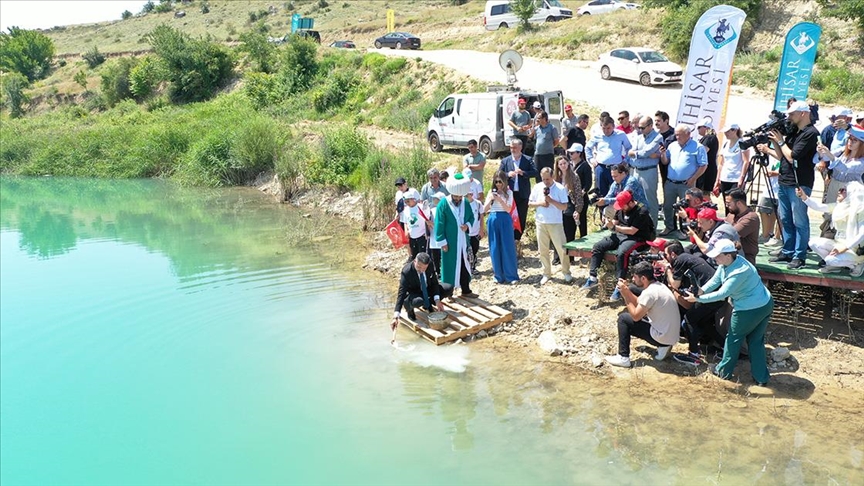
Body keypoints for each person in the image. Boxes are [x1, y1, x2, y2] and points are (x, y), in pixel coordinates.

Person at [683, 239, 774, 386]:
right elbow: (716, 280)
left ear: (728, 255)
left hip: (749, 309)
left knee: (733, 339)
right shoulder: (730, 262)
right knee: (756, 341)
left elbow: (722, 294)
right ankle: (761, 378)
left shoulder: (738, 272)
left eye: (718, 255)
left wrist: (698, 299)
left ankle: (724, 372)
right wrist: (701, 290)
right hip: (765, 302)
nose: (714, 258)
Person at [759, 100, 820, 270]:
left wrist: (780, 142)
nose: (789, 117)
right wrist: (775, 142)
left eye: (792, 114)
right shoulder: (794, 132)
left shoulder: (811, 133)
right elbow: (782, 157)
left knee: (799, 220)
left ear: (803, 113)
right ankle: (787, 250)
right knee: (785, 219)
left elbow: (793, 156)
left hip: (800, 183)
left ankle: (799, 255)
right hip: (784, 180)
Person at [604, 261, 681, 368]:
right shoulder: (659, 286)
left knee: (623, 319)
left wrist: (626, 296)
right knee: (630, 301)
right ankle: (663, 347)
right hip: (670, 336)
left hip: (663, 337)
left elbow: (636, 317)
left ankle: (623, 357)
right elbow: (640, 303)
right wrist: (626, 290)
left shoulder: (650, 293)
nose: (633, 279)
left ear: (643, 278)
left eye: (635, 277)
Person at [582, 190, 655, 301]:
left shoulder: (642, 211)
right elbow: (616, 221)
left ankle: (620, 284)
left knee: (622, 253)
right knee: (598, 246)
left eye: (623, 206)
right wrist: (608, 222)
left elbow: (632, 231)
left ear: (630, 203)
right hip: (621, 234)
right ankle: (593, 277)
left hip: (638, 238)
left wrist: (614, 227)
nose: (621, 208)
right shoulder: (621, 209)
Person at [662, 241, 725, 365]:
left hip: (709, 295)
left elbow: (675, 284)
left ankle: (693, 355)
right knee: (703, 321)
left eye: (666, 255)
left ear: (673, 254)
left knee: (689, 319)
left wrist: (668, 270)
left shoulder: (680, 260)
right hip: (718, 295)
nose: (665, 258)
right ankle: (726, 348)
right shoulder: (687, 258)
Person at [797, 181, 864, 277]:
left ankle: (857, 264)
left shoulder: (861, 210)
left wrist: (845, 247)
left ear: (852, 194)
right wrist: (804, 197)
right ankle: (835, 267)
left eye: (843, 190)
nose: (839, 192)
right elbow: (819, 207)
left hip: (854, 249)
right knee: (813, 243)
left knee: (830, 259)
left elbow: (862, 234)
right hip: (838, 243)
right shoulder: (839, 206)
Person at [434, 172, 478, 298]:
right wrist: (442, 242)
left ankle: (466, 290)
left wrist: (467, 225)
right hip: (450, 242)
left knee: (465, 264)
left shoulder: (465, 203)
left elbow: (471, 217)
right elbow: (439, 223)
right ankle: (449, 293)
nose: (458, 199)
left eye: (460, 197)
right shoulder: (443, 204)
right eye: (456, 196)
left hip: (463, 240)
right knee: (449, 266)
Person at [660, 124, 708, 234]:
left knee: (687, 208)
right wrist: (663, 154)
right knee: (668, 206)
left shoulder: (698, 147)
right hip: (670, 182)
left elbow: (703, 165)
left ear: (688, 134)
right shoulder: (672, 145)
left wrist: (693, 178)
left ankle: (685, 230)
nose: (677, 137)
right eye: (676, 135)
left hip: (687, 184)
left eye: (679, 135)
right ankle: (669, 227)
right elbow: (665, 162)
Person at [529, 167, 572, 284]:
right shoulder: (537, 187)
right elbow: (530, 203)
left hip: (555, 222)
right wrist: (541, 203)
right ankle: (546, 273)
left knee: (561, 249)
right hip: (540, 222)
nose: (546, 181)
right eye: (543, 179)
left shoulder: (560, 188)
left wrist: (551, 201)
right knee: (543, 250)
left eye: (548, 179)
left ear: (552, 176)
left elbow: (564, 207)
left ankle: (566, 272)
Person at [498, 138, 538, 254]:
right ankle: (509, 238)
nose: (512, 149)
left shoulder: (528, 159)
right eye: (511, 147)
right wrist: (507, 174)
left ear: (520, 147)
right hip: (509, 194)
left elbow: (535, 172)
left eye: (514, 147)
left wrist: (523, 173)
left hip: (522, 194)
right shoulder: (505, 161)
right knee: (509, 216)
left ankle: (517, 239)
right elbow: (498, 174)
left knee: (521, 217)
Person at [392, 252, 448, 327]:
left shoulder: (430, 264)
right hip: (414, 293)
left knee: (448, 288)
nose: (421, 270)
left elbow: (435, 283)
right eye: (419, 267)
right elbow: (401, 292)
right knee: (418, 301)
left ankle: (428, 304)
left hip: (427, 289)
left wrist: (437, 300)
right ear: (415, 261)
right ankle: (410, 310)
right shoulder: (407, 271)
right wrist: (396, 314)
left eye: (424, 268)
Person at [483, 171, 520, 284]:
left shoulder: (509, 192)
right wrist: (490, 199)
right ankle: (498, 275)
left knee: (507, 246)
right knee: (494, 247)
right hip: (493, 218)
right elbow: (484, 210)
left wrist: (500, 199)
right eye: (496, 182)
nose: (498, 184)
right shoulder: (491, 192)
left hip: (505, 218)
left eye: (500, 182)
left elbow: (509, 209)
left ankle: (511, 275)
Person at [816, 123, 864, 205]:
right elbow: (824, 158)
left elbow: (845, 168)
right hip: (833, 184)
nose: (850, 142)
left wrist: (829, 154)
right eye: (849, 138)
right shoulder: (842, 151)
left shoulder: (862, 161)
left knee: (844, 214)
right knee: (828, 213)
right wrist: (821, 152)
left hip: (849, 189)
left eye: (855, 140)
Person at [628, 115, 663, 227]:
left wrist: (637, 153)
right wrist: (639, 153)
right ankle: (639, 225)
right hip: (636, 171)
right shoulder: (639, 137)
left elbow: (646, 152)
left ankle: (652, 226)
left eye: (642, 128)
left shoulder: (658, 137)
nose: (640, 130)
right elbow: (631, 151)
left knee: (650, 199)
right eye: (639, 127)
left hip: (649, 172)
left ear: (650, 126)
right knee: (636, 198)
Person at [586, 116, 633, 198]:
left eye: (608, 128)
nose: (606, 131)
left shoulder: (620, 135)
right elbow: (587, 147)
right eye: (604, 128)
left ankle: (616, 210)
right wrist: (591, 159)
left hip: (616, 167)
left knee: (617, 192)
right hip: (601, 167)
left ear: (613, 127)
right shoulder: (598, 135)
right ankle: (602, 210)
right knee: (601, 192)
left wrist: (626, 160)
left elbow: (629, 147)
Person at [553, 156, 584, 259]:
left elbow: (578, 194)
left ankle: (570, 256)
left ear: (568, 163)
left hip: (570, 203)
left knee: (570, 231)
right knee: (557, 231)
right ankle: (557, 256)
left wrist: (578, 210)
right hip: (557, 203)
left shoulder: (574, 176)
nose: (563, 166)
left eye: (564, 163)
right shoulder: (555, 177)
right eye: (560, 164)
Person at [724, 188, 760, 265]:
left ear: (739, 203)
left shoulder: (751, 218)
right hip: (728, 255)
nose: (727, 206)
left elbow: (730, 234)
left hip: (744, 259)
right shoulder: (731, 215)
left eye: (729, 204)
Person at [714, 123, 751, 197]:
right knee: (727, 203)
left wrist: (742, 178)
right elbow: (721, 163)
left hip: (736, 179)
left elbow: (746, 161)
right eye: (725, 132)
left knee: (735, 202)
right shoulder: (725, 144)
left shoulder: (742, 143)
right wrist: (717, 179)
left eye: (728, 131)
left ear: (735, 130)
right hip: (725, 178)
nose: (725, 133)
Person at [569, 143, 593, 238]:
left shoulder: (585, 166)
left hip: (581, 197)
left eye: (572, 153)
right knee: (570, 221)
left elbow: (588, 183)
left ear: (579, 153)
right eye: (569, 153)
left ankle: (584, 239)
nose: (570, 155)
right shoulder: (569, 165)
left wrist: (582, 192)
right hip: (570, 197)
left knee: (582, 220)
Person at [531, 111, 560, 183]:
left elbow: (556, 141)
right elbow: (534, 138)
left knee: (548, 172)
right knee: (537, 173)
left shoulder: (552, 128)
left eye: (539, 118)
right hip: (538, 155)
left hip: (548, 155)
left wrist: (549, 147)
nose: (537, 120)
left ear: (544, 119)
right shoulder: (537, 129)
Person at [400, 188, 428, 261]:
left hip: (421, 235)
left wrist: (426, 232)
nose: (407, 203)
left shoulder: (421, 207)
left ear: (413, 199)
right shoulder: (406, 210)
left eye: (408, 201)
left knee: (423, 255)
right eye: (405, 202)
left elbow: (427, 219)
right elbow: (405, 221)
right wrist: (406, 230)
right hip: (412, 236)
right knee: (414, 255)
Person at [695, 117, 719, 193]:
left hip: (706, 171)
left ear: (706, 128)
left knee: (704, 194)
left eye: (699, 127)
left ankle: (709, 205)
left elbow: (703, 152)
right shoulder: (708, 138)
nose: (697, 129)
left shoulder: (709, 137)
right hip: (707, 169)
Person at [465, 188, 485, 275]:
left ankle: (473, 267)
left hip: (475, 232)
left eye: (467, 195)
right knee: (466, 251)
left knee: (474, 250)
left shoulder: (478, 204)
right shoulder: (462, 204)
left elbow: (481, 217)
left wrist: (482, 229)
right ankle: (466, 268)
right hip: (465, 233)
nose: (466, 197)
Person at [426, 192, 445, 274]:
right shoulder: (431, 210)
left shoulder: (444, 210)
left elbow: (443, 224)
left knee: (442, 256)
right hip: (433, 237)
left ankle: (444, 271)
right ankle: (437, 272)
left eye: (436, 198)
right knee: (435, 256)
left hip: (442, 237)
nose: (434, 200)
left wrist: (432, 224)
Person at [654, 110, 675, 185]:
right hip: (662, 166)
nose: (656, 123)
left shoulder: (675, 134)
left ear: (666, 121)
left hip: (674, 165)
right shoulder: (655, 135)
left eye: (658, 120)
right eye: (655, 120)